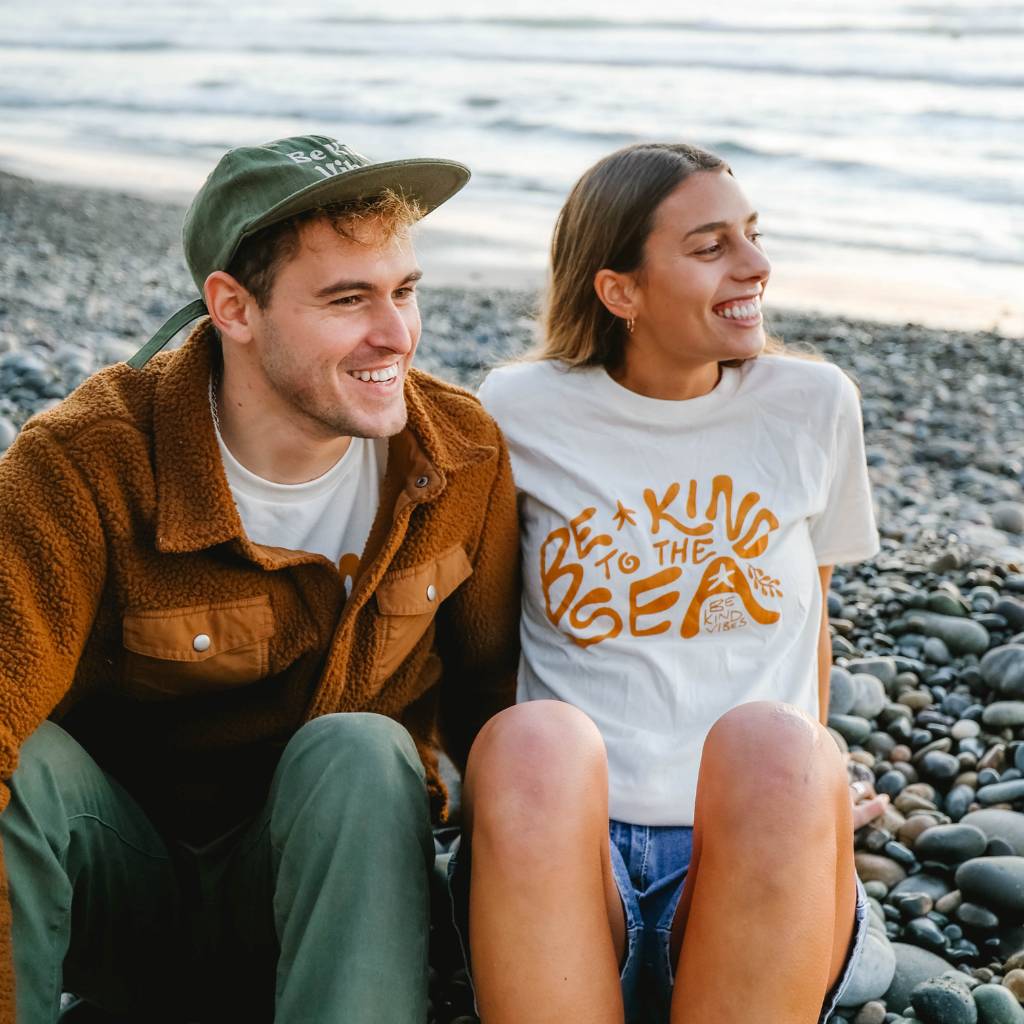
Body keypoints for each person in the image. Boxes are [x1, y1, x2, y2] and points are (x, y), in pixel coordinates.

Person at [0, 135, 519, 1024]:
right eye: (348, 299)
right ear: (234, 309)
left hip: (336, 905)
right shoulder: (84, 465)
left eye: (403, 292)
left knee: (361, 749)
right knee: (24, 764)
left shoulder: (459, 456)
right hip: (120, 896)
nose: (395, 333)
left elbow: (500, 712)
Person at [459, 142, 888, 1023]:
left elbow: (813, 620)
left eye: (753, 236)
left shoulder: (814, 406)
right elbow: (483, 629)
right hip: (569, 859)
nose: (757, 266)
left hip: (747, 850)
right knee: (530, 738)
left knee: (780, 747)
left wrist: (809, 798)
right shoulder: (516, 409)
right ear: (619, 291)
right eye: (711, 247)